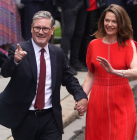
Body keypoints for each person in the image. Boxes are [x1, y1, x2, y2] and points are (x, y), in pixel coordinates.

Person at [0, 11, 88, 140]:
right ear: (31, 28)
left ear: (52, 30)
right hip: (25, 118)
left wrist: (81, 96)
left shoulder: (57, 53)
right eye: (37, 28)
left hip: (50, 117)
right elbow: (5, 72)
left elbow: (68, 78)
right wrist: (15, 60)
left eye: (45, 28)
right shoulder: (18, 49)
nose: (41, 32)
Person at [82, 4, 137, 140]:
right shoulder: (93, 45)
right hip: (98, 101)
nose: (110, 24)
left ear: (121, 23)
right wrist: (81, 98)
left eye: (114, 21)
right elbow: (90, 75)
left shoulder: (128, 44)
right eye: (107, 20)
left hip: (122, 100)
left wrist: (114, 71)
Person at [55, 0, 89, 75]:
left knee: (79, 32)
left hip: (83, 3)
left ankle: (74, 62)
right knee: (68, 32)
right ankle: (64, 64)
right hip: (69, 3)